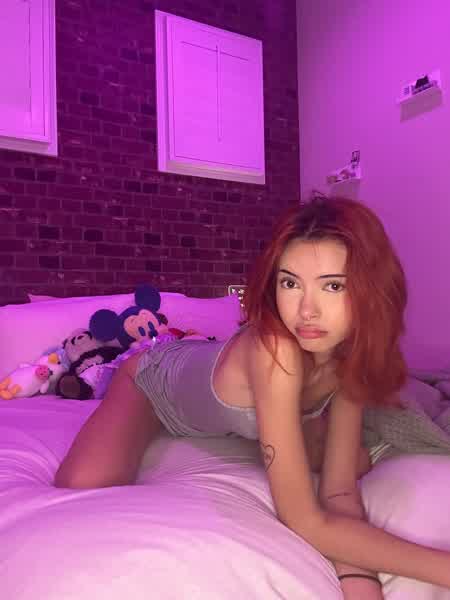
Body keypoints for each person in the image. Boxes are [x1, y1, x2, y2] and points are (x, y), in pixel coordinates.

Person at [54, 195, 450, 598]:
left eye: (332, 286)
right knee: (82, 485)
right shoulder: (277, 352)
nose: (307, 310)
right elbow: (304, 520)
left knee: (348, 462)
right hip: (152, 383)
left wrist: (361, 585)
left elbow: (339, 493)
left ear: (370, 289)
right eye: (290, 283)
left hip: (240, 395)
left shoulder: (350, 356)